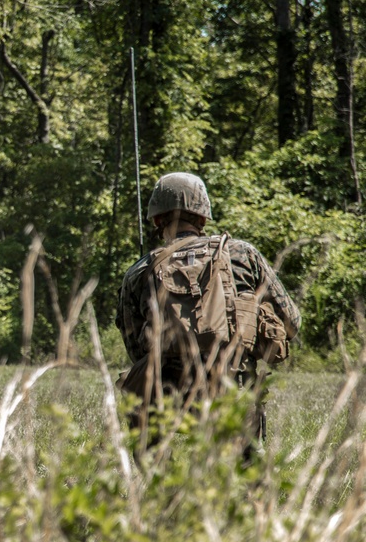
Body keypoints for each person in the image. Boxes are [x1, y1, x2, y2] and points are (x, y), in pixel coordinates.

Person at [116, 172, 301, 457]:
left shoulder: (139, 272)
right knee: (250, 481)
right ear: (203, 219)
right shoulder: (243, 255)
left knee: (155, 477)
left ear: (156, 221)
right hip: (235, 393)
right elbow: (292, 321)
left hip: (168, 400)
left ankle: (161, 487)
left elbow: (135, 350)